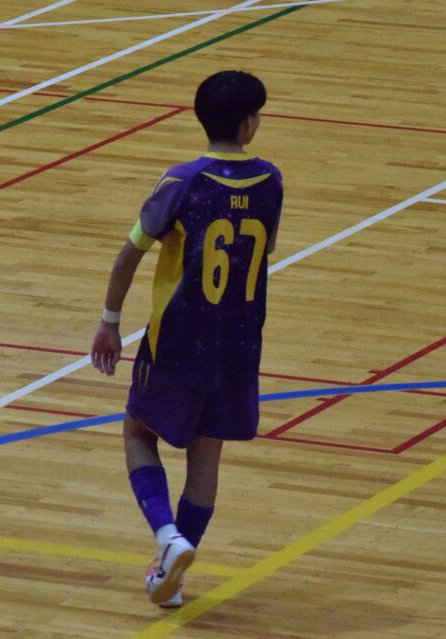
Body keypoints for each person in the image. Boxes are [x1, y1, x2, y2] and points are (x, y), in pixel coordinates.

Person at [90, 70, 283, 607]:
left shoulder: (181, 182)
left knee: (137, 432)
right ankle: (168, 578)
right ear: (247, 125)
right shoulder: (271, 181)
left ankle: (167, 537)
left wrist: (109, 321)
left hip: (178, 338)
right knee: (206, 456)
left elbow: (129, 255)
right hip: (240, 341)